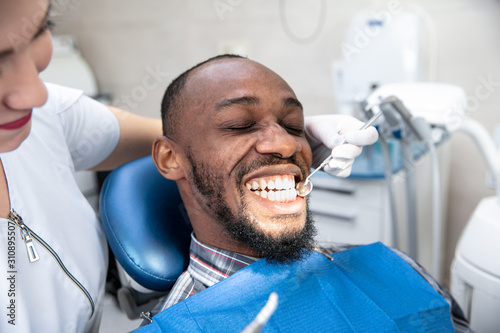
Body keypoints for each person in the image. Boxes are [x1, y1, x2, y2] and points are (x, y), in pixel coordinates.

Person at [0, 2, 377, 332]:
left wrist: (296, 134)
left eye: (37, 32)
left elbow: (182, 140)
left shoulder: (49, 114)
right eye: (239, 126)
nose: (36, 93)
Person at [139, 54, 470, 332]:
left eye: (294, 125)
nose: (286, 144)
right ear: (170, 159)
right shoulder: (177, 324)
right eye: (239, 124)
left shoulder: (393, 266)